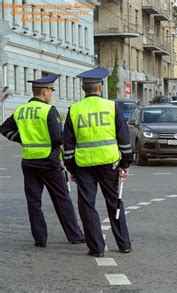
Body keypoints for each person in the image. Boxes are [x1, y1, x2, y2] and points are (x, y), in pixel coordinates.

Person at [1, 74, 85, 248]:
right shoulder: (49, 110)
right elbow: (57, 138)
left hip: (29, 160)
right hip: (49, 160)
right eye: (51, 91)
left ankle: (40, 239)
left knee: (33, 201)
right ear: (45, 91)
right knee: (61, 198)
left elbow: (4, 129)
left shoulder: (20, 110)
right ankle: (74, 235)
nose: (51, 95)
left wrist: (22, 139)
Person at [63, 68, 133, 257]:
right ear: (100, 88)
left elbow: (68, 146)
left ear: (83, 88)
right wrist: (125, 164)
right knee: (114, 202)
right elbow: (124, 139)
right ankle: (124, 243)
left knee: (87, 206)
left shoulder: (74, 110)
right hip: (109, 163)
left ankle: (96, 248)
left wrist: (72, 169)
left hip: (83, 166)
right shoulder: (112, 107)